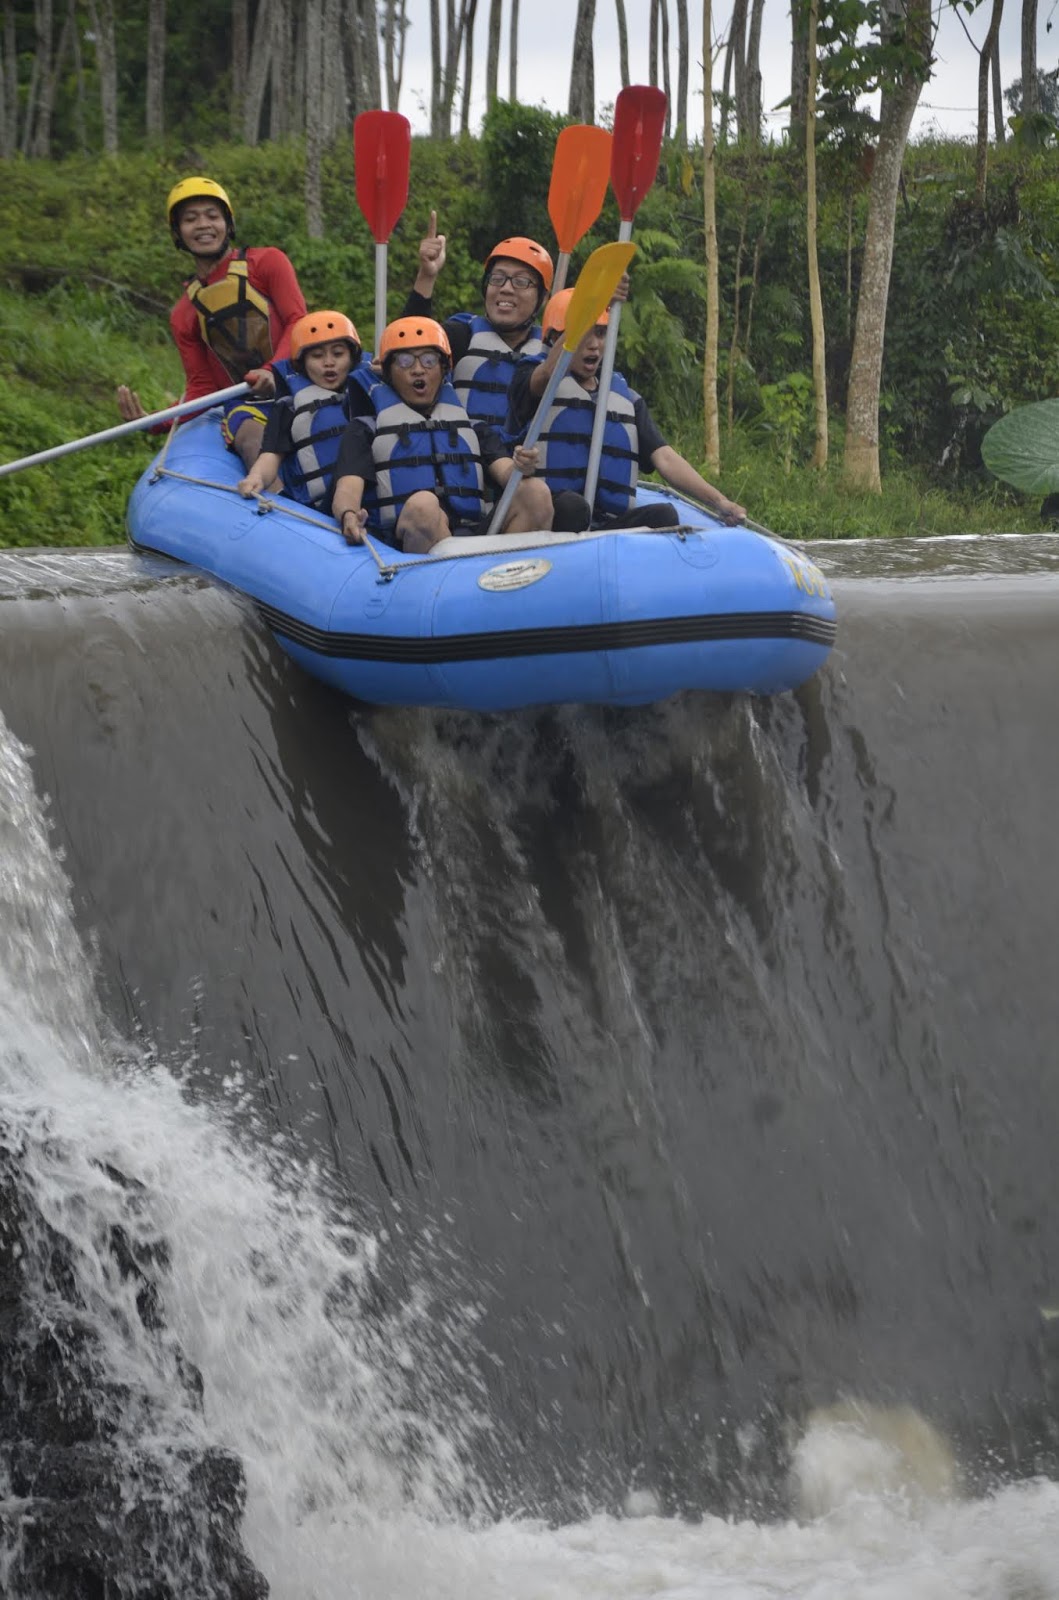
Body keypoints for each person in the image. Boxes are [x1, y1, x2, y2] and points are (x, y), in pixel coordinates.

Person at [506, 288, 747, 532]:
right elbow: (546, 374)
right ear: (553, 339)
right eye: (583, 334)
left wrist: (719, 501)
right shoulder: (531, 379)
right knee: (573, 507)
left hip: (608, 524)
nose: (594, 345)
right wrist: (584, 313)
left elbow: (665, 458)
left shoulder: (624, 397)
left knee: (663, 514)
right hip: (556, 515)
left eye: (601, 333)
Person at [116, 176, 307, 470]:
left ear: (228, 224)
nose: (203, 225)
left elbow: (298, 322)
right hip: (247, 407)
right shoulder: (184, 313)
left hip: (300, 383)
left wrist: (273, 370)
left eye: (212, 216)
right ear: (178, 234)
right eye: (190, 219)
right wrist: (154, 422)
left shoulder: (268, 262)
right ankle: (272, 503)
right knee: (253, 438)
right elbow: (202, 388)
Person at [331, 316, 553, 555]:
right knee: (423, 505)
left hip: (473, 536)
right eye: (405, 361)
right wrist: (349, 514)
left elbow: (506, 473)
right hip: (405, 547)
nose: (418, 370)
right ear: (387, 372)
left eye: (428, 360)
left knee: (534, 492)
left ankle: (513, 579)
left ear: (444, 369)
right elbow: (348, 487)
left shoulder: (472, 427)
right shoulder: (365, 429)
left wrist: (522, 465)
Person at [402, 213, 552, 425]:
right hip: (466, 454)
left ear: (543, 298)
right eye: (497, 278)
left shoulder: (552, 352)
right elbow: (408, 345)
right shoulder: (461, 336)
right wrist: (427, 276)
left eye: (521, 281)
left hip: (527, 458)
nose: (506, 289)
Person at [236, 311, 364, 513]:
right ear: (302, 363)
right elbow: (271, 454)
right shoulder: (289, 405)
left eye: (338, 354)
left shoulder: (371, 392)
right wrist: (256, 477)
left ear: (352, 357)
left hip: (370, 506)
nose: (328, 362)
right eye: (317, 356)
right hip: (319, 511)